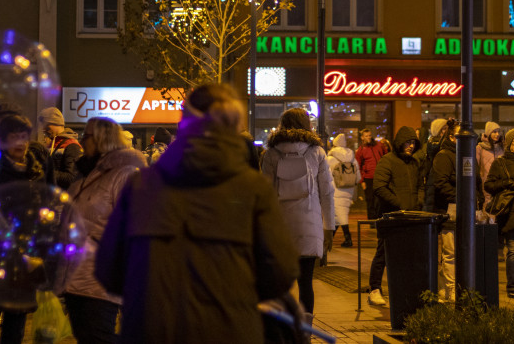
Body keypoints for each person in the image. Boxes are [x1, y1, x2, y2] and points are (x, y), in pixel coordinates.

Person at [95, 83, 299, 343]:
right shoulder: (253, 189)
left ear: (184, 123)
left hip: (151, 332)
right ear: (233, 127)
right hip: (229, 331)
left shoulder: (142, 186)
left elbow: (108, 270)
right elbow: (280, 272)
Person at [64, 117, 145, 344]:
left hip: (100, 279)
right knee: (88, 336)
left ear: (102, 139)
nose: (82, 141)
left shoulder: (124, 174)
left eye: (86, 136)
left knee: (98, 337)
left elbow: (133, 223)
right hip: (75, 276)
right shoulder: (86, 174)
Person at [260, 107, 336, 319]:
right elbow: (327, 193)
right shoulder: (317, 152)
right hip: (308, 226)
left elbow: (264, 194)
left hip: (280, 229)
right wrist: (329, 227)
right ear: (306, 125)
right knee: (306, 284)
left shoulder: (271, 154)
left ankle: (281, 332)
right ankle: (305, 335)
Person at [0, 113, 49, 344]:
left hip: (26, 258)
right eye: (15, 137)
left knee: (16, 321)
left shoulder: (36, 171)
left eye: (24, 137)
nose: (21, 143)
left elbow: (46, 208)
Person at [367, 126, 423, 307]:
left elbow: (420, 185)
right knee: (383, 252)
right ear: (400, 143)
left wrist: (417, 203)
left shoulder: (414, 163)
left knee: (408, 255)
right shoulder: (387, 161)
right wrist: (400, 204)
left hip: (411, 215)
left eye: (413, 142)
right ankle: (374, 289)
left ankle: (405, 289)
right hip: (390, 216)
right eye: (408, 142)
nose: (411, 146)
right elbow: (379, 187)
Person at [484, 128, 514, 299]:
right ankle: (512, 287)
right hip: (509, 215)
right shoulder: (500, 163)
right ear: (509, 144)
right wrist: (507, 183)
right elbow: (489, 185)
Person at [430, 122, 460, 302]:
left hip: (466, 208)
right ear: (450, 137)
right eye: (458, 135)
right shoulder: (444, 156)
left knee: (461, 250)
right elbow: (441, 183)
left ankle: (452, 286)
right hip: (450, 208)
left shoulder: (466, 154)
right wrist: (460, 197)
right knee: (450, 251)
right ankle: (449, 289)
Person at [326, 133, 360, 248]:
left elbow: (325, 175)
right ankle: (331, 239)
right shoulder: (352, 158)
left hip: (336, 188)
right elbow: (358, 177)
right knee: (338, 214)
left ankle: (348, 238)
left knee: (340, 213)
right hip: (349, 189)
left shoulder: (330, 158)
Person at [39, 107, 82, 188]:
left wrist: (45, 172)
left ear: (55, 123)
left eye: (46, 126)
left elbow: (71, 178)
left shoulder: (72, 145)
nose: (44, 129)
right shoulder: (52, 144)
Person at [355, 127, 388, 219]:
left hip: (379, 176)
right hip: (368, 178)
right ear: (362, 137)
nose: (369, 137)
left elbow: (386, 155)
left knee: (379, 199)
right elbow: (358, 166)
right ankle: (371, 220)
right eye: (366, 136)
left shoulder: (378, 145)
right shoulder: (361, 150)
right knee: (370, 200)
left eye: (369, 135)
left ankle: (378, 218)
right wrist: (362, 181)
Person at [418, 118, 449, 212]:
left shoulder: (433, 144)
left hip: (434, 186)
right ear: (438, 130)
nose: (446, 131)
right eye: (444, 129)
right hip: (434, 186)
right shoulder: (435, 145)